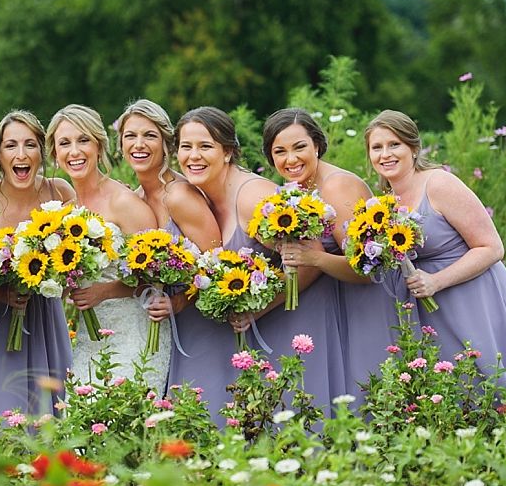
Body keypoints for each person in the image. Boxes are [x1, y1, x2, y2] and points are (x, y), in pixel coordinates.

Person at [175, 106, 346, 420]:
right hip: (263, 330)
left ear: (227, 152)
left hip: (296, 318)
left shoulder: (252, 197)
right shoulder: (203, 195)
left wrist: (259, 307)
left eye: (205, 146)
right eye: (186, 147)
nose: (194, 155)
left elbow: (309, 258)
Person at [365, 109, 506, 385]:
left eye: (395, 144)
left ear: (413, 148)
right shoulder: (384, 203)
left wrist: (436, 281)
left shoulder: (438, 183)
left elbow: (492, 247)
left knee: (489, 380)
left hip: (472, 295)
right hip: (429, 306)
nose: (386, 154)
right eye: (377, 147)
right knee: (451, 390)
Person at [264, 108, 399, 409]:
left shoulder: (336, 186)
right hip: (335, 306)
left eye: (299, 147)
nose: (291, 159)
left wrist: (314, 258)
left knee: (370, 396)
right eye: (280, 151)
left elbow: (366, 269)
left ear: (317, 145)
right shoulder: (295, 192)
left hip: (365, 306)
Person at [116, 98, 231, 420]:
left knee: (203, 415)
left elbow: (216, 265)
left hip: (199, 323)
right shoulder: (135, 200)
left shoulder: (179, 195)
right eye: (130, 136)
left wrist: (179, 302)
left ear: (166, 142)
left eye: (149, 136)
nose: (139, 145)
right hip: (160, 329)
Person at [0, 110, 75, 417]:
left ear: (42, 150)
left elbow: (72, 259)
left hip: (46, 317)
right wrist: (1, 292)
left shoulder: (60, 193)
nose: (21, 155)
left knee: (54, 409)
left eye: (30, 145)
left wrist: (57, 282)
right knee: (1, 406)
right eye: (10, 146)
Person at [46, 104, 164, 390]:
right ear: (55, 154)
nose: (74, 151)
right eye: (65, 143)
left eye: (83, 140)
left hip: (135, 334)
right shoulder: (64, 212)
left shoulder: (124, 203)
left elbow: (158, 277)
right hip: (90, 338)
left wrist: (106, 291)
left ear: (99, 146)